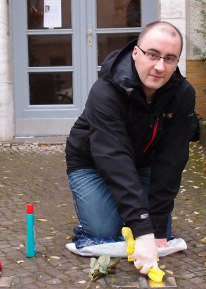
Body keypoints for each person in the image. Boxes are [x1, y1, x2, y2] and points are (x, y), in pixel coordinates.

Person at [65, 21, 198, 275]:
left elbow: (171, 161)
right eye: (153, 55)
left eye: (170, 59)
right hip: (91, 162)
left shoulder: (182, 94)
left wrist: (154, 229)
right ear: (136, 53)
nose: (160, 66)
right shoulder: (105, 91)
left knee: (161, 232)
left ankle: (133, 210)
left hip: (144, 162)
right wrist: (141, 226)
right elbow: (113, 157)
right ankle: (106, 212)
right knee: (104, 231)